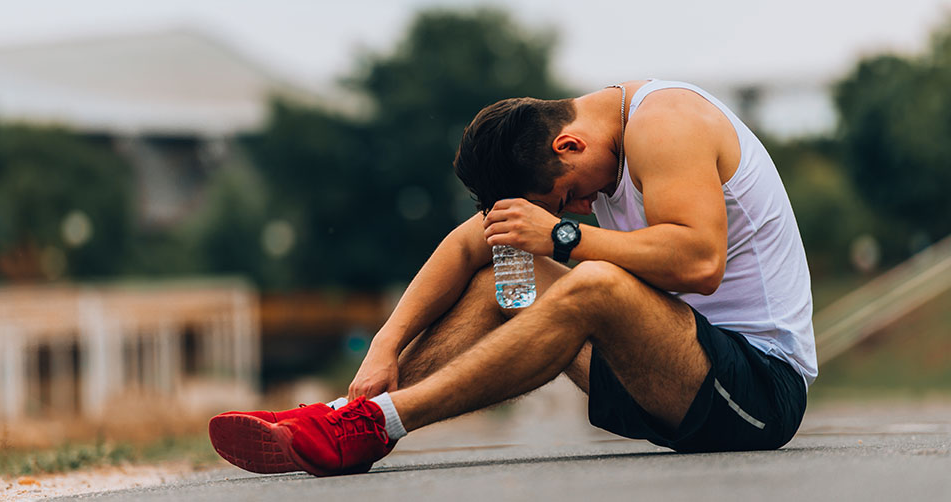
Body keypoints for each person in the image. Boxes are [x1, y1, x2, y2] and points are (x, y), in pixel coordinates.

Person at [208, 79, 816, 477]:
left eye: (568, 195)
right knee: (505, 272)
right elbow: (470, 242)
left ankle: (380, 422)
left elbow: (701, 263)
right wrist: (384, 346)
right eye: (566, 207)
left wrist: (563, 237)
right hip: (662, 382)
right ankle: (348, 414)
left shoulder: (667, 123)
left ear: (569, 144)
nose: (577, 208)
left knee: (592, 282)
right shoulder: (581, 154)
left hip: (757, 393)